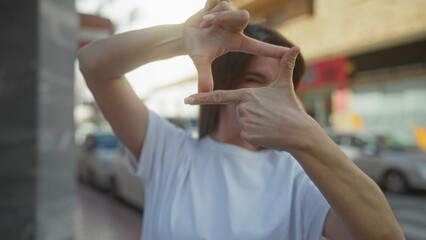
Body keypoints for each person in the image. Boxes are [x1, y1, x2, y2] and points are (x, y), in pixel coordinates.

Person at [78, 0, 404, 239]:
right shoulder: (169, 152)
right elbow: (92, 64)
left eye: (284, 86)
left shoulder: (300, 177)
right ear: (222, 85)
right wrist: (181, 38)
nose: (273, 97)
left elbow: (384, 235)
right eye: (255, 79)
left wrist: (308, 137)